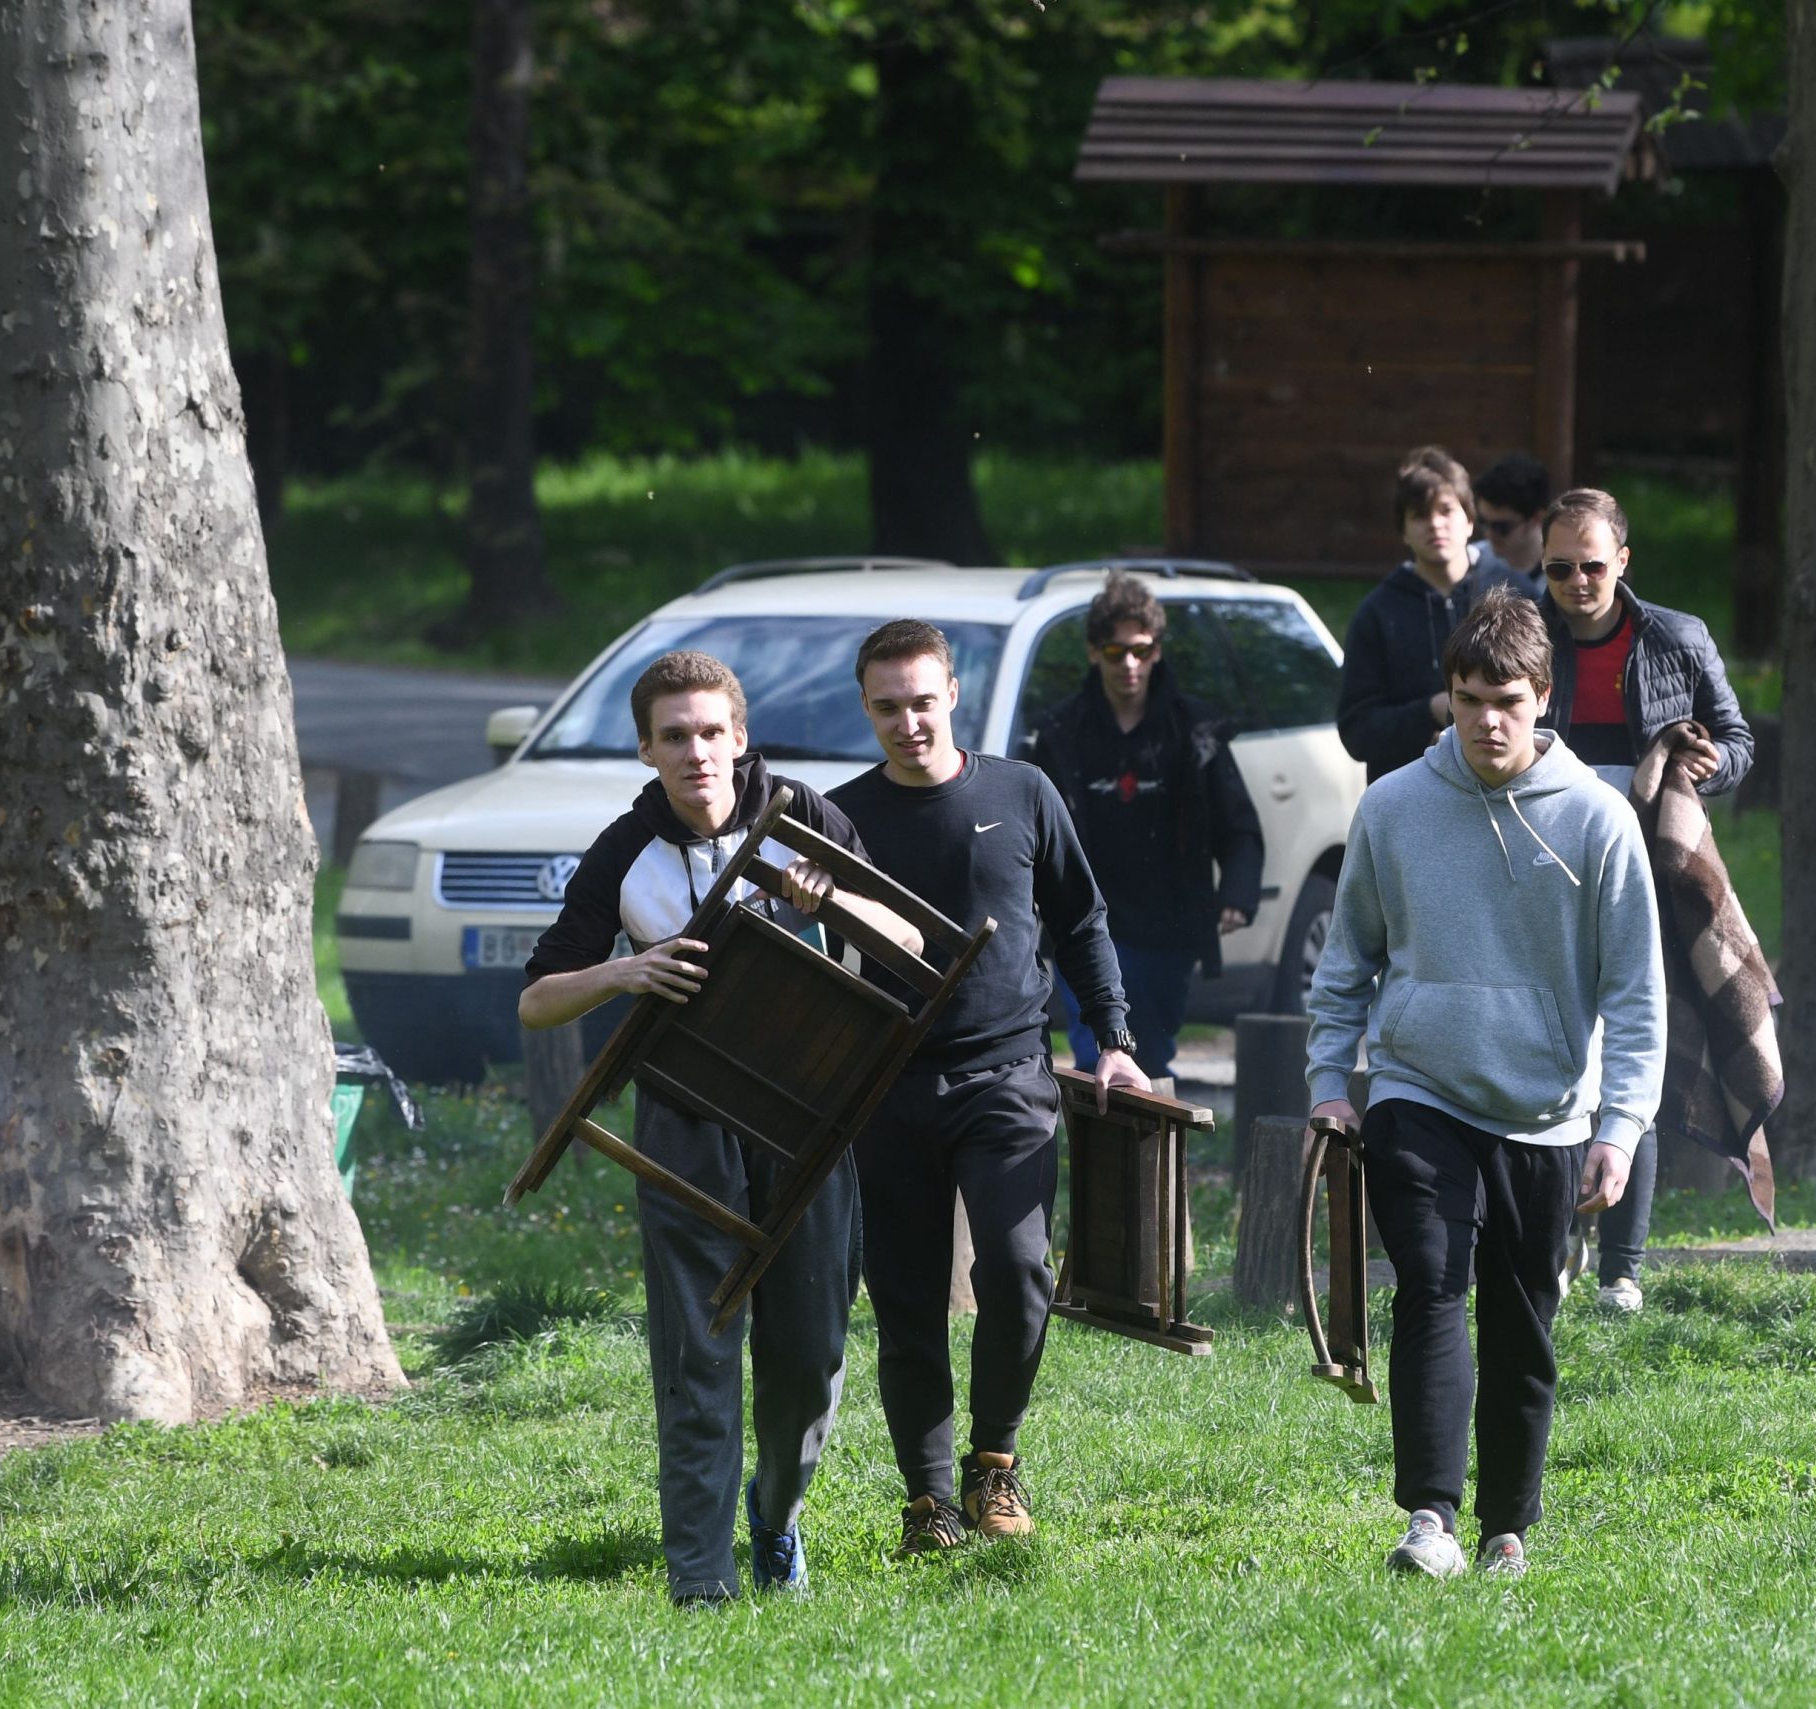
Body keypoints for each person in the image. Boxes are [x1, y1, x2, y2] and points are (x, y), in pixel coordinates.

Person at [518, 649, 924, 1604]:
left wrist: (834, 899)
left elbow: (908, 938)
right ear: (647, 749)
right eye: (675, 737)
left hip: (809, 1112)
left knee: (810, 1355)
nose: (696, 752)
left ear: (739, 737)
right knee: (697, 1347)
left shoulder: (803, 814)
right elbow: (536, 1000)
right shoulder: (624, 849)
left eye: (711, 732)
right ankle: (701, 1572)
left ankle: (776, 1516)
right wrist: (623, 972)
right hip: (686, 1118)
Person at [1305, 589, 1664, 1579]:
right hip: (1418, 1087)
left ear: (1543, 696)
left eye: (1506, 701)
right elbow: (1347, 963)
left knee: (1520, 1320)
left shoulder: (1599, 820)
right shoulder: (1393, 808)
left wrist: (1622, 1127)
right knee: (1428, 1283)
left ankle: (1507, 1527)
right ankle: (1430, 1517)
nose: (1486, 721)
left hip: (1546, 1109)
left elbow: (1636, 993)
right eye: (1468, 700)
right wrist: (1331, 1081)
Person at [828, 619, 1148, 1558]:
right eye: (887, 708)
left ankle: (994, 1463)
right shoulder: (844, 817)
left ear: (953, 696)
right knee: (906, 1300)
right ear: (866, 709)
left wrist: (1113, 1039)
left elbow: (1081, 920)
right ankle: (927, 1501)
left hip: (1007, 1072)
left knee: (1015, 1271)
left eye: (922, 702)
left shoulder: (1022, 791)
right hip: (888, 1084)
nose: (908, 723)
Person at [1533, 486, 1755, 1312]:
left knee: (1637, 1062)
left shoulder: (1675, 637)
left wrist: (1707, 767)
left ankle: (1620, 1270)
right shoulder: (1525, 634)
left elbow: (1738, 741)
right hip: (1545, 866)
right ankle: (1556, 1243)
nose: (1577, 583)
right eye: (1559, 568)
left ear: (1622, 561)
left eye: (1592, 566)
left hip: (1650, 872)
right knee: (1554, 1058)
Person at [1025, 571, 1264, 1087]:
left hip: (1169, 923)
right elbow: (1033, 828)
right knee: (1096, 1055)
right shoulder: (1061, 732)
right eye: (1115, 652)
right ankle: (1101, 1138)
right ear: (1094, 653)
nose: (1129, 664)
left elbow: (1238, 823)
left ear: (1157, 650)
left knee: (1149, 1053)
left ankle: (1153, 1137)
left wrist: (1238, 894)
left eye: (1141, 650)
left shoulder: (1195, 729)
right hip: (1084, 920)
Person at [1335, 445, 1544, 784]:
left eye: (1446, 510)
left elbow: (1549, 697)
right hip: (1409, 795)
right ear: (1403, 531)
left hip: (1508, 790)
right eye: (1419, 515)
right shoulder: (1378, 613)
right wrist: (1428, 713)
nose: (1435, 524)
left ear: (1470, 520)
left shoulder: (1519, 595)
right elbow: (1357, 732)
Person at [1473, 451, 1554, 580]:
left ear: (1536, 519)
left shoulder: (1560, 574)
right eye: (1482, 521)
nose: (1489, 534)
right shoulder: (1472, 560)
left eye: (1501, 527)